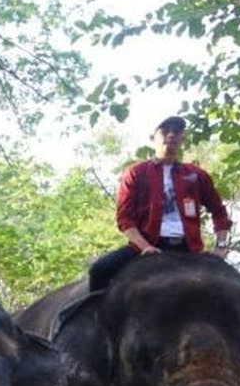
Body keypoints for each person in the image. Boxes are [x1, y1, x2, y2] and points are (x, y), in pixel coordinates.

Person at [88, 115, 232, 290]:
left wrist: (221, 247)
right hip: (147, 244)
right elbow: (125, 218)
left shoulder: (197, 175)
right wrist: (145, 247)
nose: (171, 135)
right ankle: (95, 316)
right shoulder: (136, 173)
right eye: (165, 131)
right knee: (99, 269)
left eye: (176, 131)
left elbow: (219, 211)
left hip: (189, 248)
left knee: (234, 287)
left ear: (182, 138)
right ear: (152, 138)